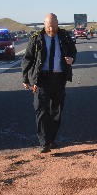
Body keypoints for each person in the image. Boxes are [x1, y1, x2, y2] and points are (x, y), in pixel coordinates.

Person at [21, 13, 77, 153]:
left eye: (53, 26)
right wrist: (25, 78)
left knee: (56, 110)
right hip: (42, 79)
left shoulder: (64, 36)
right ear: (44, 24)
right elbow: (28, 59)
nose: (51, 29)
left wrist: (72, 59)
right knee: (41, 109)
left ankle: (51, 139)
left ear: (57, 24)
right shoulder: (36, 38)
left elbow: (73, 51)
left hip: (59, 78)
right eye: (48, 26)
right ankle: (44, 142)